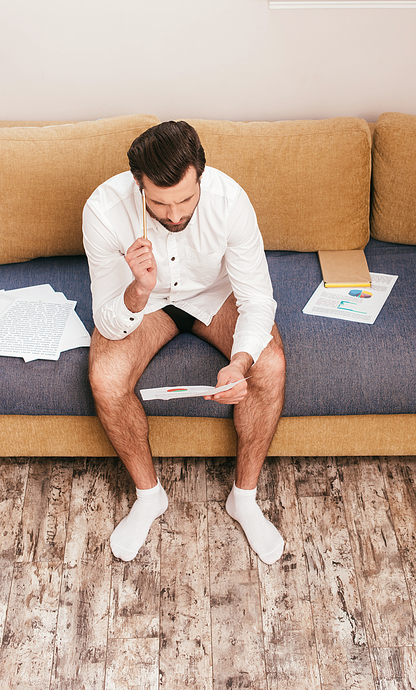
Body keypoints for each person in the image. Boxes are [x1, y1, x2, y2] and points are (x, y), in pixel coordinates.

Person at [82, 121, 286, 564]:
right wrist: (137, 288)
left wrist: (240, 362)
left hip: (214, 296)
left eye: (186, 200)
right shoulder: (103, 209)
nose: (174, 215)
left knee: (268, 366)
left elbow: (257, 299)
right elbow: (109, 322)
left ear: (201, 177)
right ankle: (149, 495)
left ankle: (244, 499)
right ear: (139, 186)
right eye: (159, 203)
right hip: (146, 303)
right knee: (105, 376)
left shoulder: (229, 200)